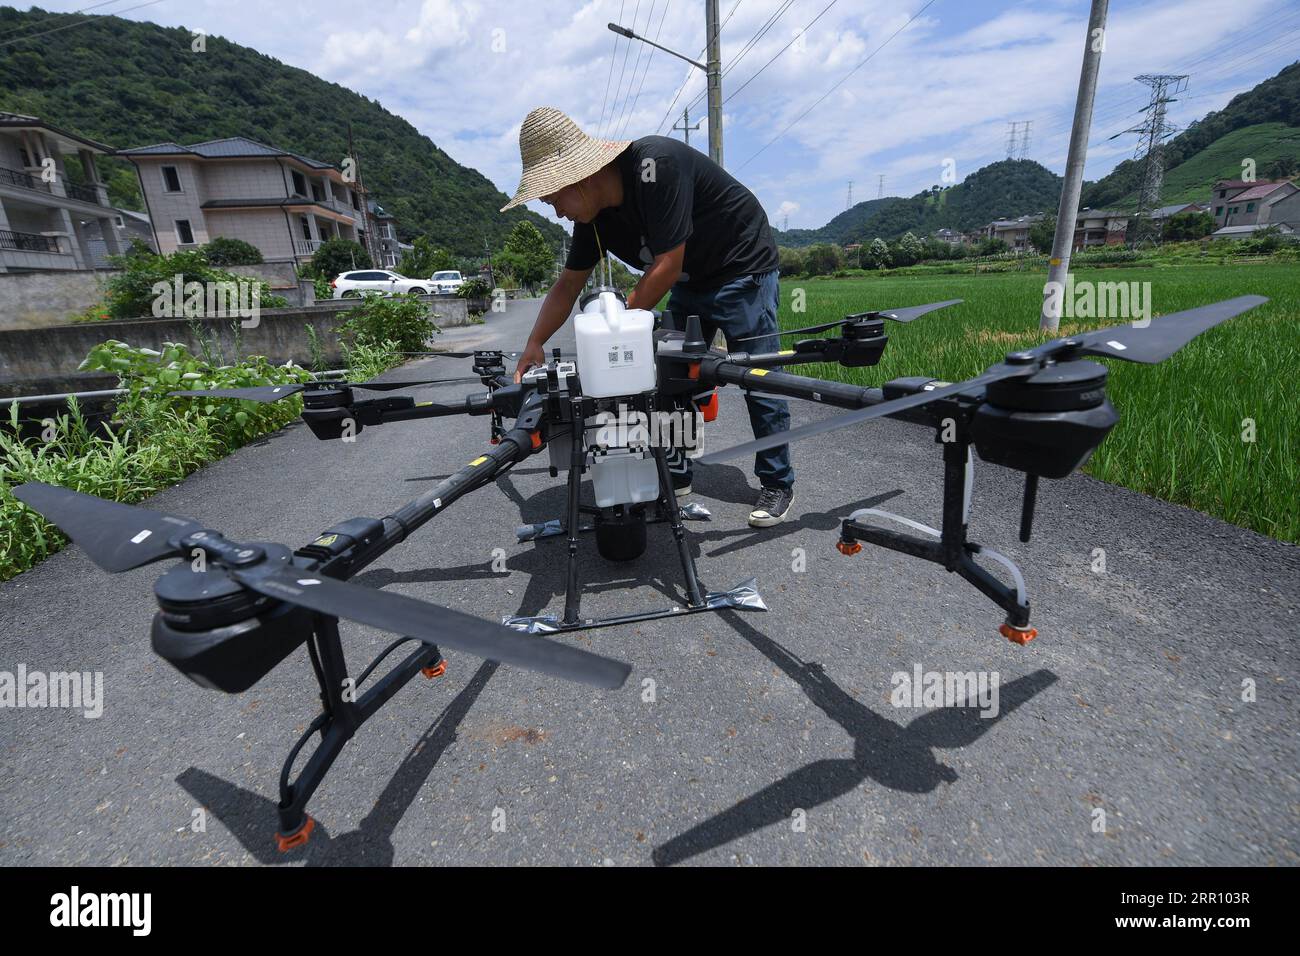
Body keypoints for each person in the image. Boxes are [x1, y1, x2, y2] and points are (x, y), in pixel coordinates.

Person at [501, 106, 794, 527]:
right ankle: (675, 475)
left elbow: (666, 266)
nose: (555, 211)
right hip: (692, 281)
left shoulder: (656, 167)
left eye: (553, 198)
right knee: (671, 378)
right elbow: (567, 286)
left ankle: (777, 482)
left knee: (759, 379)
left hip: (741, 267)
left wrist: (613, 333)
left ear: (578, 179)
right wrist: (534, 344)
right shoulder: (593, 221)